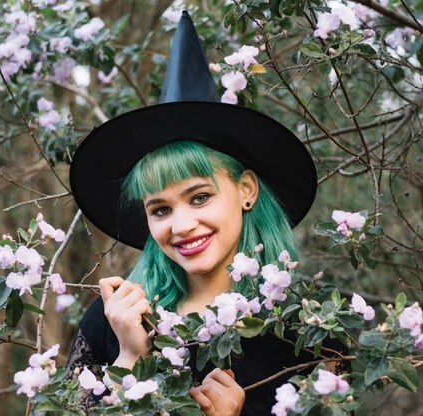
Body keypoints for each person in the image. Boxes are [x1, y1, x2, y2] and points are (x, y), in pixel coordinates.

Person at [67, 11, 342, 415]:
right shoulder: (114, 320)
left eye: (199, 198)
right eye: (160, 209)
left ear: (246, 190)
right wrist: (128, 359)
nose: (181, 226)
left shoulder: (311, 331)